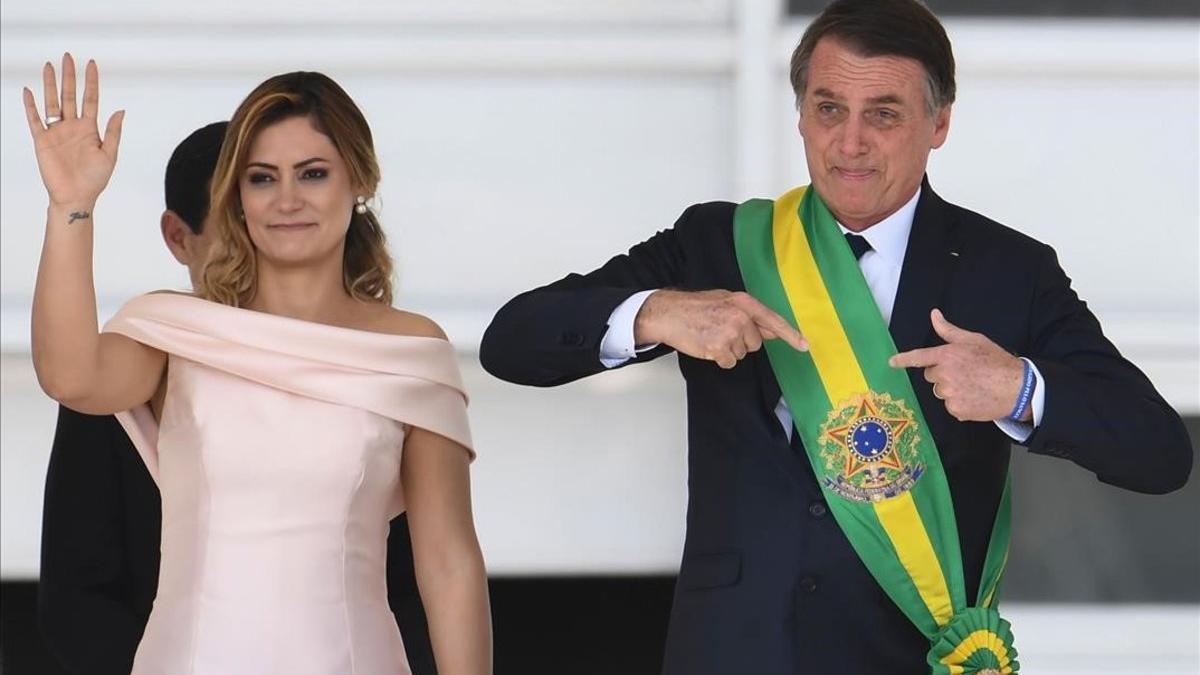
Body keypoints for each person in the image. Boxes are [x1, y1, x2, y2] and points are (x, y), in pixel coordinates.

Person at [479, 1, 1192, 674]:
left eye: (883, 114)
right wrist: (654, 313)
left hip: (906, 653)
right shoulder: (720, 244)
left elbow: (1160, 452)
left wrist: (1021, 388)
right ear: (799, 114)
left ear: (939, 122)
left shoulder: (1009, 272)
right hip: (734, 648)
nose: (849, 143)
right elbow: (510, 341)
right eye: (828, 110)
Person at [24, 56, 491, 674]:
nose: (288, 200)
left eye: (314, 173)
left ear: (359, 181)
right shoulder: (175, 332)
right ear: (237, 197)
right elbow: (72, 377)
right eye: (262, 179)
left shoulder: (411, 350)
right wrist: (71, 207)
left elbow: (449, 565)